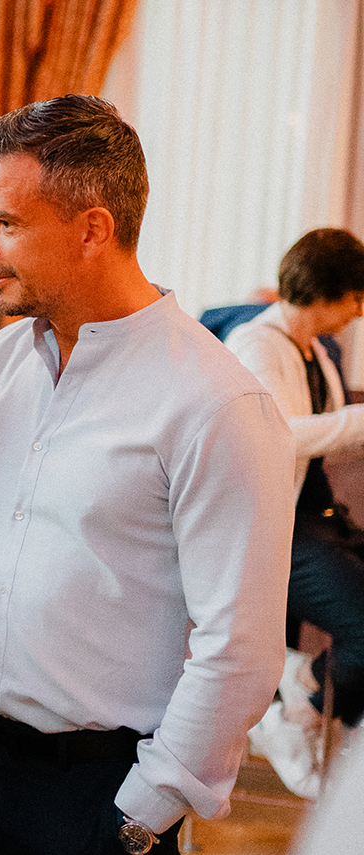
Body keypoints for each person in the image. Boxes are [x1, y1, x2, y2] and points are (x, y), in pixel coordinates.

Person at [0, 94, 296, 855]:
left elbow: (240, 649)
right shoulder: (4, 358)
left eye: (6, 222)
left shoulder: (217, 403)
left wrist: (139, 816)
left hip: (100, 793)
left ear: (93, 229)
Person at [224, 228, 364, 798]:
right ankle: (296, 711)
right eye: (355, 297)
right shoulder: (256, 344)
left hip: (311, 519)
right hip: (268, 530)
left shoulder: (315, 350)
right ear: (325, 292)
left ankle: (303, 678)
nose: (359, 311)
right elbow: (278, 435)